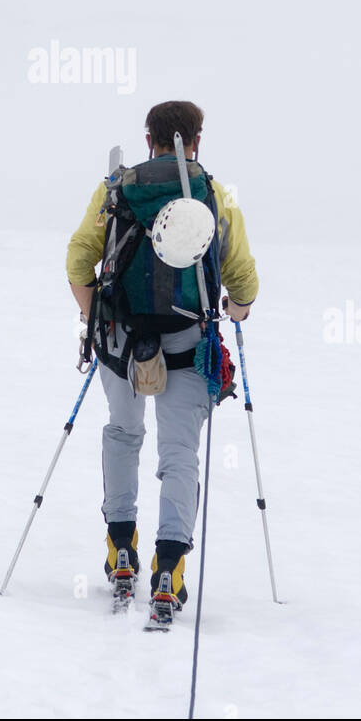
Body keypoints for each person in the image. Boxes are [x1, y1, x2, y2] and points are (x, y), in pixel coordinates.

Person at [65, 100, 259, 620]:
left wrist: (96, 319)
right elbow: (242, 278)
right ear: (197, 140)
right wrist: (237, 309)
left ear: (148, 136)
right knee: (179, 454)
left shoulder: (114, 190)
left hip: (118, 341)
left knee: (123, 435)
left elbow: (79, 258)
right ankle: (169, 566)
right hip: (187, 343)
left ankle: (120, 548)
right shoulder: (215, 196)